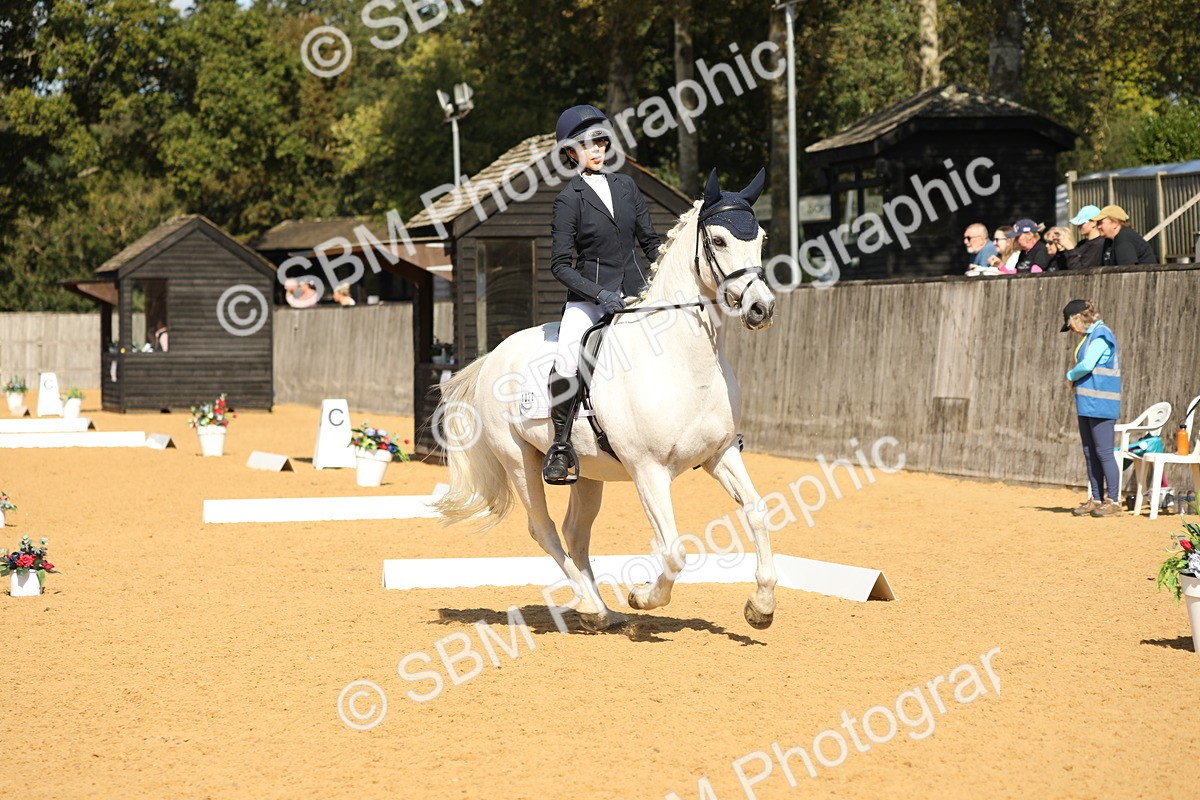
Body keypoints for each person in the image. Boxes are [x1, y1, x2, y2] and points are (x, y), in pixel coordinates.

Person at [544, 104, 662, 483]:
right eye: (585, 144)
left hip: (637, 291)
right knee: (566, 359)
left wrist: (661, 281)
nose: (596, 149)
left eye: (600, 141)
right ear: (570, 154)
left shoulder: (626, 186)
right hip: (590, 301)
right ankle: (561, 447)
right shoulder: (569, 198)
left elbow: (651, 243)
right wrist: (599, 295)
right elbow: (561, 265)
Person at [1062, 299, 1123, 517]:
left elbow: (1088, 365)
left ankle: (1114, 501)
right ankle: (1096, 498)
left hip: (1102, 403)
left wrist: (1070, 376)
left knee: (1104, 453)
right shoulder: (1090, 337)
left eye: (1070, 324)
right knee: (1090, 452)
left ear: (1077, 318)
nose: (1071, 330)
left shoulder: (1101, 335)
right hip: (1088, 403)